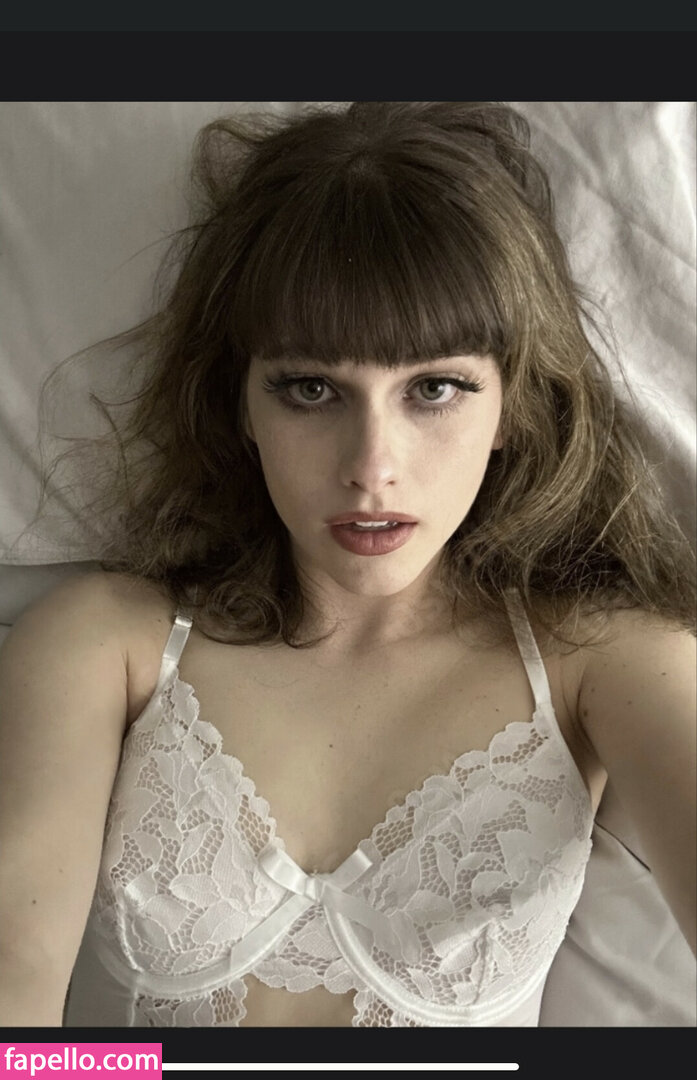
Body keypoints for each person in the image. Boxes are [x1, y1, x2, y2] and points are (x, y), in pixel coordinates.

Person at [0, 101, 694, 1029]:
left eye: (434, 388)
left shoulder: (607, 664)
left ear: (513, 407)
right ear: (241, 406)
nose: (372, 466)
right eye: (311, 388)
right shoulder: (101, 643)